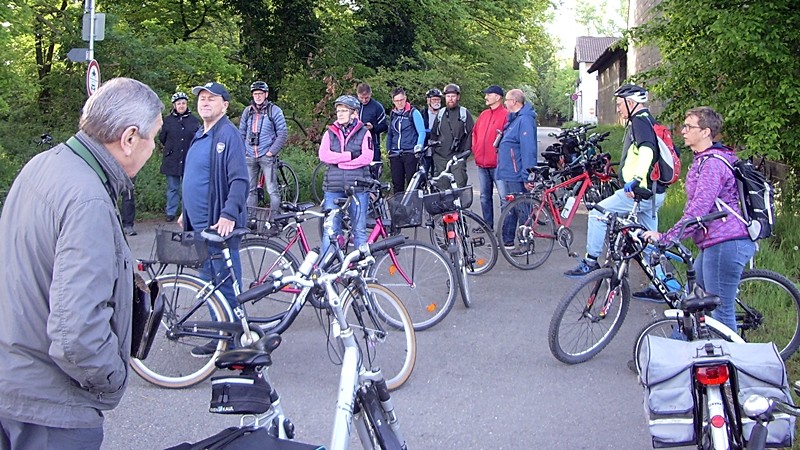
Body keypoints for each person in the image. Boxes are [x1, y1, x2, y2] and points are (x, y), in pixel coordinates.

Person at [0, 77, 164, 449]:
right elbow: (76, 335)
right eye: (153, 137)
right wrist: (113, 378)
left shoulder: (44, 165)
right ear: (129, 138)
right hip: (52, 410)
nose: (154, 148)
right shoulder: (88, 200)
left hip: (14, 386)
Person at [642, 106, 755, 331]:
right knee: (691, 303)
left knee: (721, 313)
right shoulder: (704, 159)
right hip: (714, 242)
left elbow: (698, 211)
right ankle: (678, 349)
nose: (683, 131)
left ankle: (732, 353)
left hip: (725, 243)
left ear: (705, 132)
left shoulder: (712, 163)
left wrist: (666, 238)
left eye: (689, 126)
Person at [565, 84, 667, 277]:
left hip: (639, 192)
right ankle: (661, 282)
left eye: (620, 104)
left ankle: (591, 261)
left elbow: (647, 151)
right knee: (648, 240)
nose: (618, 109)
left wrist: (637, 179)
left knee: (598, 214)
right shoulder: (648, 120)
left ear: (631, 103)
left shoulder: (639, 122)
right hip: (654, 192)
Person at [180, 81, 248, 357]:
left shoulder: (228, 135)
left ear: (225, 105)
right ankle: (219, 335)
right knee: (207, 282)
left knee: (224, 282)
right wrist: (185, 212)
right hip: (198, 224)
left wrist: (229, 213)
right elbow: (194, 176)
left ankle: (233, 341)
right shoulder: (200, 134)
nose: (205, 102)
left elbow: (240, 179)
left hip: (219, 225)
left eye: (212, 98)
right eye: (202, 98)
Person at [318, 95, 374, 254]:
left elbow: (367, 158)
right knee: (330, 230)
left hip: (358, 187)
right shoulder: (330, 132)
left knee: (359, 230)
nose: (340, 114)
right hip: (333, 187)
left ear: (354, 113)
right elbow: (323, 155)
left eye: (344, 110)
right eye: (338, 111)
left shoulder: (364, 133)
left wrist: (341, 164)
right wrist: (348, 156)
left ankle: (360, 266)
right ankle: (326, 266)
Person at [496, 88, 538, 254]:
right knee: (510, 207)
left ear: (514, 102)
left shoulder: (525, 120)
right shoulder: (514, 119)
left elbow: (528, 149)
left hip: (516, 173)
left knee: (522, 208)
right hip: (508, 171)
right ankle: (507, 241)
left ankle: (526, 244)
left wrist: (528, 176)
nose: (505, 103)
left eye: (507, 100)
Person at [239, 81, 288, 210]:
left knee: (272, 190)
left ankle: (274, 218)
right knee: (250, 190)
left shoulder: (274, 110)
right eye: (255, 94)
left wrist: (271, 152)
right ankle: (251, 218)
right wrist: (244, 151)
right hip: (250, 156)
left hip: (266, 155)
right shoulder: (247, 111)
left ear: (266, 94)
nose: (258, 96)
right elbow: (241, 133)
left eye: (260, 93)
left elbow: (282, 133)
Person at [159, 91, 200, 222]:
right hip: (172, 159)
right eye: (179, 103)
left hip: (189, 159)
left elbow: (198, 139)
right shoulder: (168, 120)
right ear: (174, 105)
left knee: (188, 188)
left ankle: (187, 212)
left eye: (183, 103)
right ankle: (170, 212)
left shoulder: (194, 120)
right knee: (172, 188)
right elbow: (162, 138)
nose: (181, 106)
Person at [471, 85, 508, 231]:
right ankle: (487, 225)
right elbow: (474, 133)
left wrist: (500, 155)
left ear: (497, 97)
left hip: (498, 164)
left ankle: (505, 230)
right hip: (482, 163)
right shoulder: (484, 115)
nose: (485, 97)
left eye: (489, 94)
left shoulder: (506, 115)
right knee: (484, 197)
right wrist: (476, 150)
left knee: (504, 198)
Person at [430, 83, 474, 187]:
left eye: (453, 96)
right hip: (440, 158)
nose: (450, 99)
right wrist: (435, 152)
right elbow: (434, 133)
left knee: (459, 185)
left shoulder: (464, 113)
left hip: (458, 157)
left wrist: (464, 155)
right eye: (448, 96)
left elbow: (471, 134)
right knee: (441, 188)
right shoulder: (441, 113)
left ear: (458, 97)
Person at [385, 87, 425, 193]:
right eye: (397, 101)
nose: (399, 103)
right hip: (395, 154)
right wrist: (388, 149)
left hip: (410, 153)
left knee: (412, 184)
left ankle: (414, 203)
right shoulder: (393, 114)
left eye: (401, 100)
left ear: (405, 98)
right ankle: (398, 204)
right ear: (393, 101)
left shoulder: (413, 112)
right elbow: (390, 134)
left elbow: (421, 132)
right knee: (397, 184)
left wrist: (418, 147)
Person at [356, 83, 387, 178]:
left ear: (370, 94)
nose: (364, 100)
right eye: (361, 98)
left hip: (373, 145)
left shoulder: (377, 107)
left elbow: (384, 126)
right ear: (357, 95)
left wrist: (373, 128)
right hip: (355, 145)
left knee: (373, 175)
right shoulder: (354, 106)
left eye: (366, 98)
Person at [420, 88, 444, 173]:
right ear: (428, 101)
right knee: (424, 173)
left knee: (440, 174)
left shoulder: (444, 114)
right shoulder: (422, 114)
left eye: (438, 100)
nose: (436, 102)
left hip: (440, 150)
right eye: (434, 99)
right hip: (426, 149)